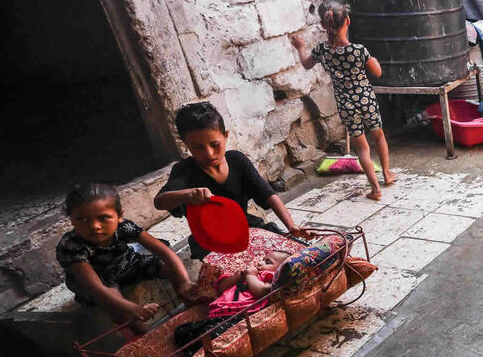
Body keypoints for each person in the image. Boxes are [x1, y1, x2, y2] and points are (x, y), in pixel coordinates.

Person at [154, 102, 309, 259]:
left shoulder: (237, 160)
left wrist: (291, 226)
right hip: (210, 241)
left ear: (225, 136)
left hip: (246, 226)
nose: (209, 153)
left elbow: (269, 196)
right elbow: (159, 202)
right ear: (186, 144)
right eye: (198, 148)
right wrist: (188, 195)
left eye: (215, 145)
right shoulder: (184, 171)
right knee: (242, 275)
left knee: (296, 253)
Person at [289, 0, 397, 199]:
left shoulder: (322, 51)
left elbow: (305, 64)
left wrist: (301, 47)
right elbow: (378, 72)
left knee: (362, 147)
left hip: (346, 105)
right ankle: (388, 174)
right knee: (378, 135)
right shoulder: (358, 50)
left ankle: (375, 190)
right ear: (347, 21)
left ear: (323, 25)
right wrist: (375, 61)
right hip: (366, 99)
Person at [56, 182, 194, 333]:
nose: (94, 226)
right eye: (82, 219)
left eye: (103, 218)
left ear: (119, 216)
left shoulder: (124, 227)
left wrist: (184, 282)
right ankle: (149, 340)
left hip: (126, 264)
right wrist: (134, 308)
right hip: (97, 280)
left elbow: (164, 252)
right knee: (118, 307)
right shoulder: (71, 246)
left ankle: (194, 311)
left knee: (171, 268)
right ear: (71, 219)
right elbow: (96, 289)